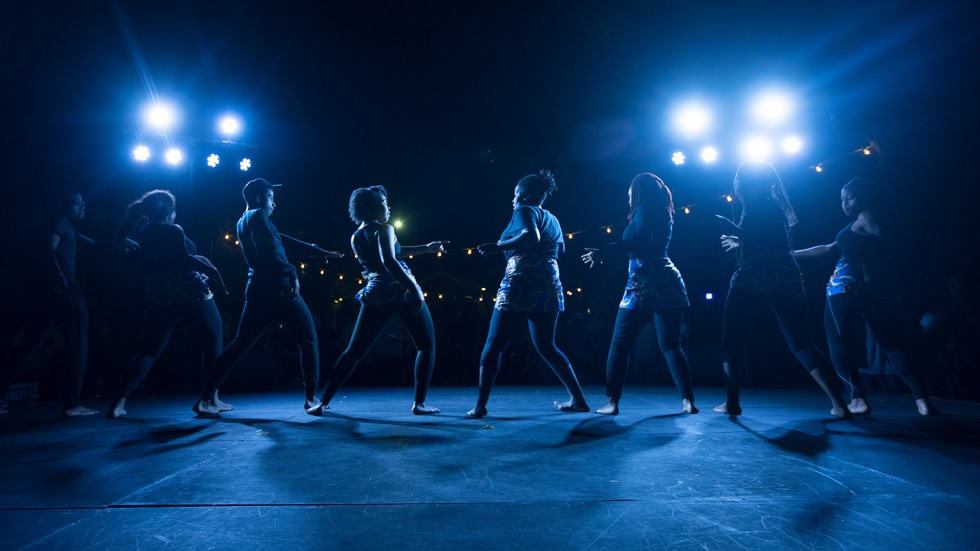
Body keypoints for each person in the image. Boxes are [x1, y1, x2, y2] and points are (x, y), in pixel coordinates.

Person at [192, 178, 342, 415]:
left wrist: (314, 251)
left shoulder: (245, 220)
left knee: (239, 344)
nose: (275, 203)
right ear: (261, 197)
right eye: (272, 198)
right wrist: (292, 274)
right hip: (279, 289)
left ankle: (206, 397)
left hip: (258, 290)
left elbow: (280, 240)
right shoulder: (259, 216)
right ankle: (311, 398)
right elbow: (272, 250)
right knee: (308, 338)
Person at [714, 160, 849, 418]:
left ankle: (732, 403)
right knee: (801, 343)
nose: (737, 184)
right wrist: (739, 239)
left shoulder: (758, 205)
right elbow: (771, 243)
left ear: (743, 183)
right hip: (785, 277)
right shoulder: (769, 205)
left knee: (732, 340)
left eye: (739, 180)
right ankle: (839, 404)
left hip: (753, 278)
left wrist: (735, 231)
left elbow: (764, 242)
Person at [794, 178, 937, 415]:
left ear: (864, 196)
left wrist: (872, 268)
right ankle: (923, 401)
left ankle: (857, 398)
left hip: (845, 287)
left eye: (850, 197)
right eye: (842, 199)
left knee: (838, 342)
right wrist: (790, 254)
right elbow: (829, 248)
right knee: (892, 344)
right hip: (876, 291)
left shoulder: (867, 216)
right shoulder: (855, 227)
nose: (845, 203)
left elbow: (887, 244)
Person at [307, 186, 446, 416]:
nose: (388, 207)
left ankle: (323, 402)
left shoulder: (357, 235)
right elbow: (390, 260)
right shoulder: (385, 228)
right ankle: (419, 403)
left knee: (354, 350)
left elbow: (393, 253)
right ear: (369, 207)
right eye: (383, 202)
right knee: (426, 345)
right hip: (400, 290)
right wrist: (414, 289)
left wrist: (427, 249)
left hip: (376, 293)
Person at [466, 170, 589, 418]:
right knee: (547, 346)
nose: (513, 198)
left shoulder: (524, 210)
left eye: (515, 193)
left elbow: (531, 236)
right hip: (548, 281)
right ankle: (578, 399)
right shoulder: (553, 219)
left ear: (524, 194)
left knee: (494, 345)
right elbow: (559, 250)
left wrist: (499, 246)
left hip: (522, 279)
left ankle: (480, 406)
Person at [581, 173, 697, 415]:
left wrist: (605, 250)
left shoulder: (644, 207)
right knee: (670, 345)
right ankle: (688, 401)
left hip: (644, 281)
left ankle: (612, 402)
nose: (627, 195)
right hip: (667, 280)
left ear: (638, 190)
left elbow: (641, 242)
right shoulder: (664, 211)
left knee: (620, 345)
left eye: (630, 190)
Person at [107, 190, 228, 419]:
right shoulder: (174, 229)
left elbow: (172, 258)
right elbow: (183, 259)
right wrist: (214, 273)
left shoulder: (146, 232)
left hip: (161, 293)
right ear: (169, 211)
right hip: (188, 290)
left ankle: (118, 403)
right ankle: (209, 398)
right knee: (214, 339)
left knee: (150, 351)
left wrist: (203, 261)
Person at [0, 188, 99, 416]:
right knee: (77, 344)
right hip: (65, 289)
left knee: (27, 343)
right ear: (63, 205)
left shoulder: (67, 225)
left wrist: (121, 240)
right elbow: (48, 247)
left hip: (50, 291)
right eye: (77, 202)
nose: (83, 206)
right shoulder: (62, 221)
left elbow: (93, 245)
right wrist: (61, 279)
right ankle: (72, 405)